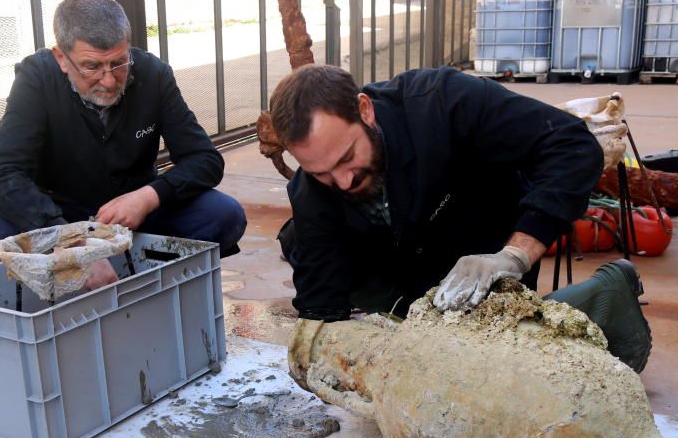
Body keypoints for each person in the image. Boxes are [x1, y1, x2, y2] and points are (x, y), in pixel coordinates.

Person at [269, 64, 651, 372]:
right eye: (321, 173)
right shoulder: (312, 189)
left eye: (347, 157)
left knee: (498, 370)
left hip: (483, 259)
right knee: (300, 240)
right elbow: (321, 308)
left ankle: (606, 289)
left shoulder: (441, 102)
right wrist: (323, 356)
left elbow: (570, 145)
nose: (344, 180)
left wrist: (516, 254)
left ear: (365, 110)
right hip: (404, 274)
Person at [0, 0, 246, 290]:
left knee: (224, 216)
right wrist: (73, 245)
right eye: (91, 67)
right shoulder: (37, 79)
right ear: (61, 58)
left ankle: (145, 285)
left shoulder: (153, 74)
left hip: (134, 214)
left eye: (119, 63)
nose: (109, 80)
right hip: (61, 214)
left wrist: (148, 197)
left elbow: (204, 159)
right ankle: (72, 286)